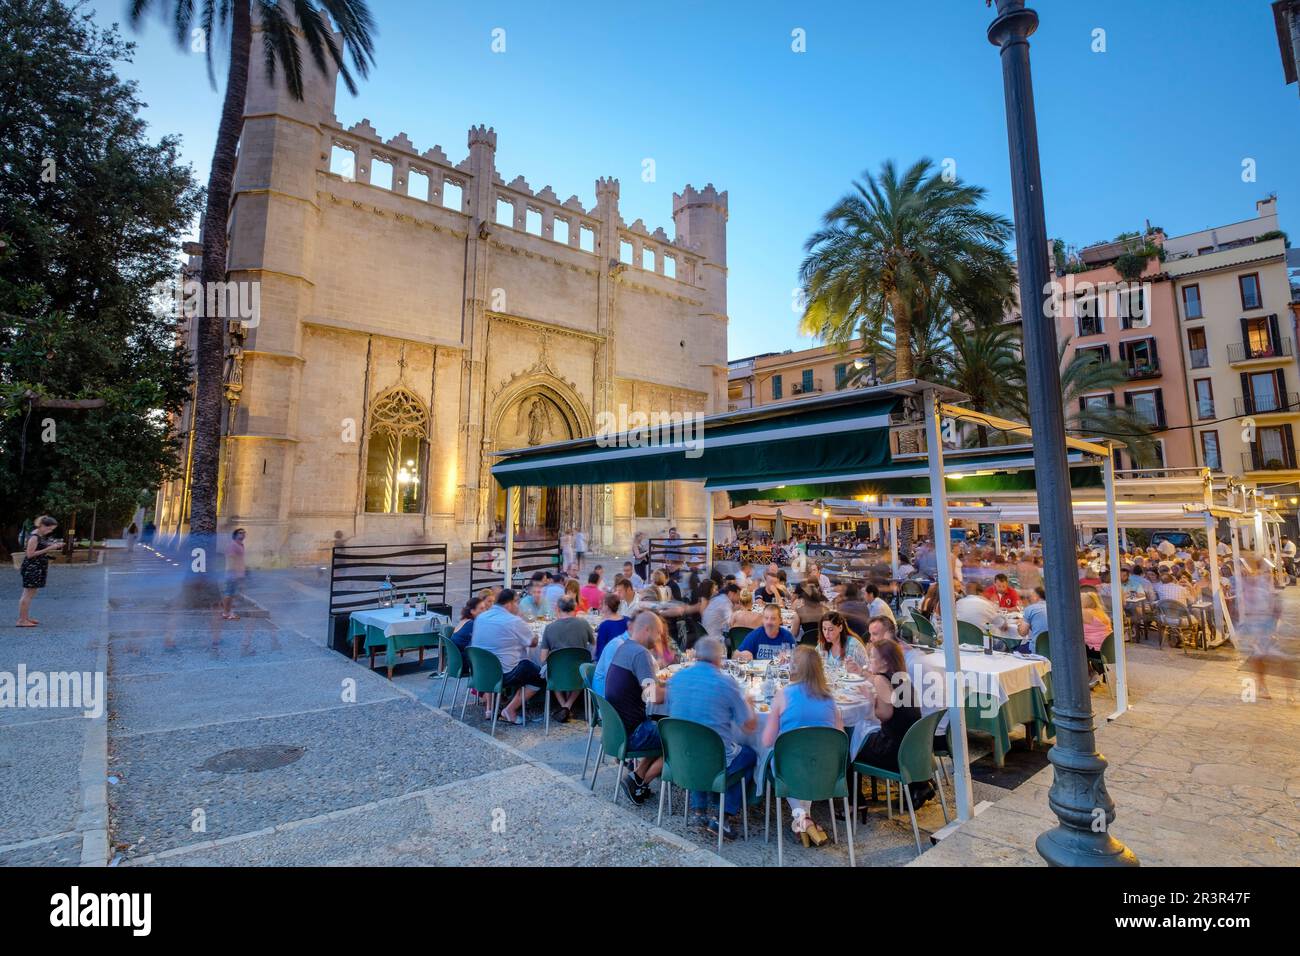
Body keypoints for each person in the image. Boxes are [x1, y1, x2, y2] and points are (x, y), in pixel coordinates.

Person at [666, 635, 757, 840]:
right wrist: (748, 703)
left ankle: (699, 810)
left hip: (682, 755)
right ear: (719, 659)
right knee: (750, 754)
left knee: (696, 739)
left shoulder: (677, 678)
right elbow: (750, 726)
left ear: (696, 656)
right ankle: (723, 816)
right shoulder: (726, 683)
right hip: (714, 759)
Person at [761, 645, 840, 846]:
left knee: (778, 756)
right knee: (809, 758)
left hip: (791, 768)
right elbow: (841, 739)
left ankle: (803, 820)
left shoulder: (784, 694)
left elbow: (767, 741)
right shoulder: (830, 698)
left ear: (795, 668)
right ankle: (805, 820)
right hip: (824, 768)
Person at [855, 637, 933, 808]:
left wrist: (870, 700)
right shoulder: (901, 676)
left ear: (884, 662)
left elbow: (884, 714)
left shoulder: (881, 680)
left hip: (892, 751)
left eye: (872, 657)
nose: (869, 660)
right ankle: (919, 785)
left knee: (849, 745)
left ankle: (854, 800)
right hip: (913, 748)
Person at [603, 610, 666, 803]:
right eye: (658, 634)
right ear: (647, 630)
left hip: (617, 730)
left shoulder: (624, 648)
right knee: (681, 737)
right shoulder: (640, 654)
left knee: (663, 728)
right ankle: (641, 781)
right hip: (634, 733)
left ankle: (636, 777)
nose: (658, 639)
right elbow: (653, 696)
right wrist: (678, 688)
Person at [471, 588, 544, 724]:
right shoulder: (513, 621)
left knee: (520, 661)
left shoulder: (481, 617)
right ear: (510, 604)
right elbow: (533, 643)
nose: (518, 606)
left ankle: (495, 707)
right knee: (540, 675)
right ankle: (510, 709)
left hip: (480, 671)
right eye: (517, 603)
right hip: (504, 674)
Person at [540, 596, 595, 722]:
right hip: (578, 671)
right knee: (581, 669)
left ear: (558, 609)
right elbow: (593, 644)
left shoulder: (549, 628)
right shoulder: (584, 624)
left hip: (557, 672)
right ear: (575, 608)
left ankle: (564, 706)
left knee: (551, 670)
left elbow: (543, 658)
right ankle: (568, 706)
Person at [16, 516, 60, 627]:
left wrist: (51, 545)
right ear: (42, 526)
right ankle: (22, 620)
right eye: (49, 529)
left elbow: (38, 548)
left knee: (30, 593)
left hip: (36, 567)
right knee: (27, 594)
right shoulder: (34, 537)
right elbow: (30, 554)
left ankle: (25, 617)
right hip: (32, 567)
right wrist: (49, 548)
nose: (50, 531)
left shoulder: (38, 535)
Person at [221, 528, 248, 621]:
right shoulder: (233, 545)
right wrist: (233, 573)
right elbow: (230, 559)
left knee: (231, 594)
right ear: (235, 535)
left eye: (244, 533)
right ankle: (226, 613)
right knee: (228, 594)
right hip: (232, 574)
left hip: (238, 574)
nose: (243, 534)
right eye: (240, 533)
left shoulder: (240, 545)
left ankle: (229, 612)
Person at [594, 592, 630, 658]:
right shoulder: (627, 620)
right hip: (626, 658)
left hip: (610, 660)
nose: (600, 607)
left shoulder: (605, 625)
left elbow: (600, 651)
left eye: (602, 604)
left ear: (607, 606)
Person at [1016, 586, 1049, 650]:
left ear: (1036, 596)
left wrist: (1019, 624)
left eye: (1032, 595)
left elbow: (1023, 633)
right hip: (1054, 650)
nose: (1030, 598)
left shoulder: (1030, 609)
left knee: (1014, 650)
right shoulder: (1054, 607)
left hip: (1036, 649)